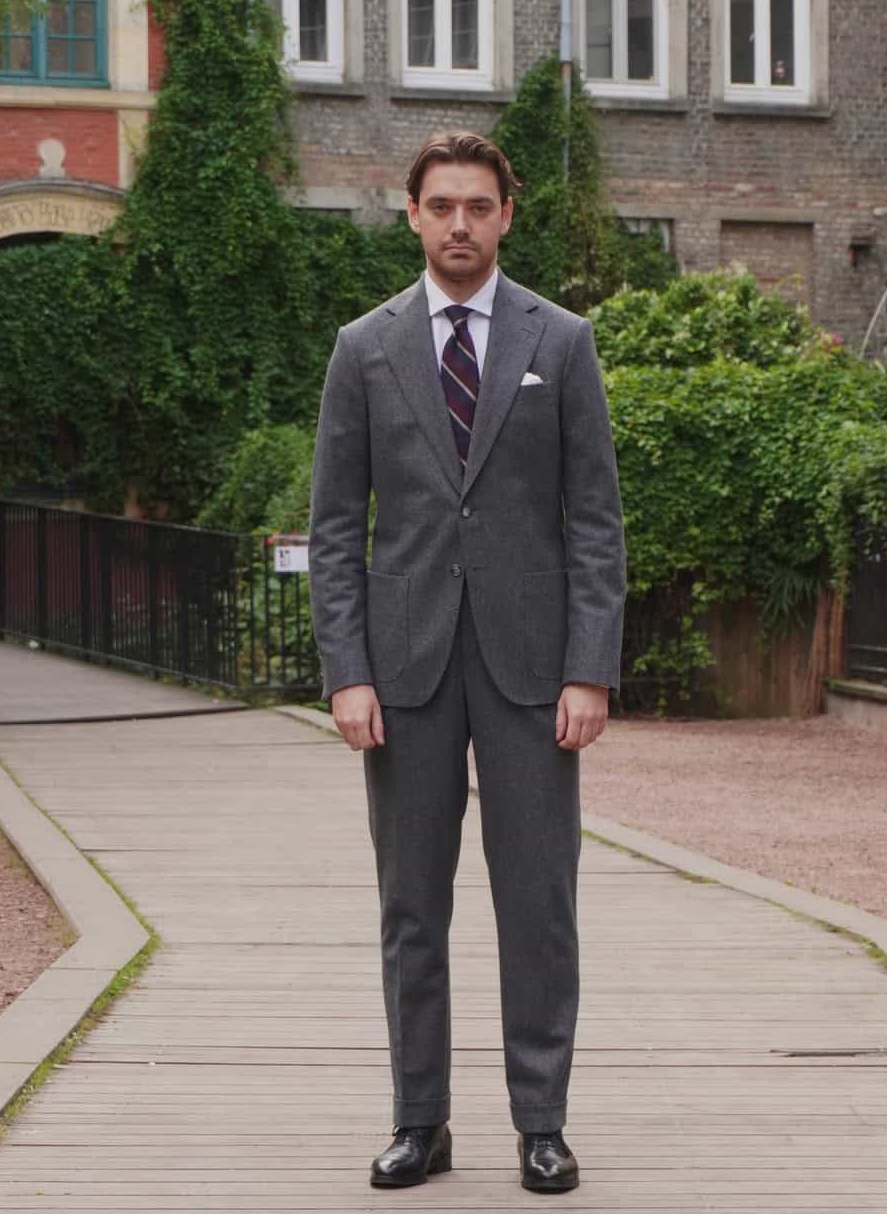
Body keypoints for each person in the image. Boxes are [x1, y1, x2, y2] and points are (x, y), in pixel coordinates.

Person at [308, 130, 626, 1194]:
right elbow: (335, 530)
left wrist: (592, 666)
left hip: (535, 670)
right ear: (410, 214)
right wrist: (345, 669)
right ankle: (419, 1120)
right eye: (440, 205)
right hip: (402, 671)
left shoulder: (562, 341)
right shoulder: (363, 347)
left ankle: (541, 1120)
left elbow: (593, 522)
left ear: (505, 215)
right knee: (412, 904)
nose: (458, 224)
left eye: (477, 206)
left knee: (538, 897)